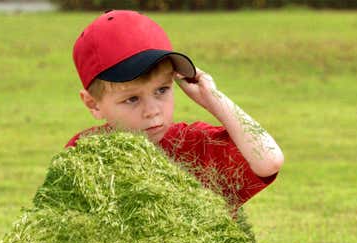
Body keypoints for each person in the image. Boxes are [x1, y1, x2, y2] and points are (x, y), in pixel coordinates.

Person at [66, 10, 284, 209]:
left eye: (162, 90)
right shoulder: (87, 154)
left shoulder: (193, 145)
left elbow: (269, 160)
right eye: (132, 99)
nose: (152, 111)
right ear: (93, 104)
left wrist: (213, 98)